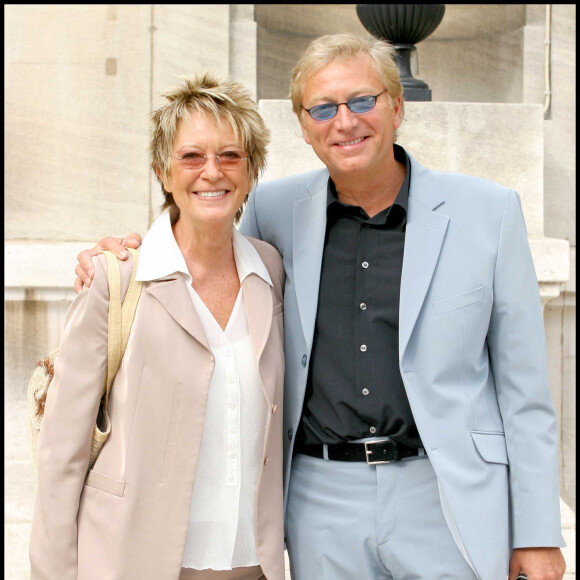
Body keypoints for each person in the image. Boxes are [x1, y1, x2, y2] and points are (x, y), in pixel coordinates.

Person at [73, 33, 566, 580]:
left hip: (446, 493)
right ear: (304, 128)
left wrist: (538, 534)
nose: (345, 121)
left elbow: (525, 395)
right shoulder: (271, 211)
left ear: (397, 106)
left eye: (362, 101)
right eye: (324, 108)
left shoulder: (490, 213)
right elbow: (201, 255)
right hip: (319, 501)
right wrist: (122, 252)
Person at [30, 73, 286, 580]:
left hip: (253, 565)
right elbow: (62, 454)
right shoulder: (118, 278)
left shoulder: (270, 270)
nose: (211, 172)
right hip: (136, 561)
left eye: (230, 155)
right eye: (191, 156)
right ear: (162, 172)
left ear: (252, 172)